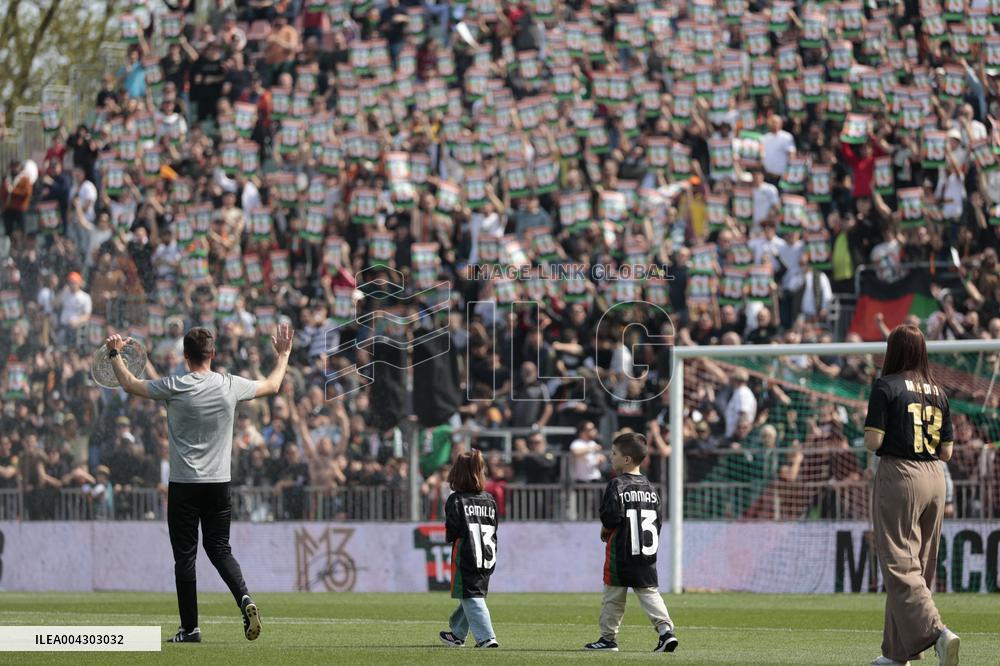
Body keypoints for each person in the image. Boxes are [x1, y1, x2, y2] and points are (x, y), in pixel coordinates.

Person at [104, 324, 294, 643]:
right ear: (212, 354)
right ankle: (245, 599)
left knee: (185, 558)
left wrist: (114, 353)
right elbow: (274, 385)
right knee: (220, 549)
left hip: (184, 484)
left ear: (185, 355)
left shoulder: (175, 385)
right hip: (219, 484)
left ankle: (190, 629)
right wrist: (284, 354)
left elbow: (130, 384)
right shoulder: (229, 384)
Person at [864, 324, 960, 666]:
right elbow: (947, 451)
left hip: (901, 475)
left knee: (898, 562)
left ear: (893, 350)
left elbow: (873, 442)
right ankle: (897, 654)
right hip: (936, 477)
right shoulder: (938, 391)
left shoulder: (885, 386)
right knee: (917, 563)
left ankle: (936, 632)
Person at [585, 432, 678, 654]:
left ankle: (608, 639)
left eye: (614, 453)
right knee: (649, 593)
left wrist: (606, 528)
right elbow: (658, 522)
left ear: (626, 459)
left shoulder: (616, 485)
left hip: (622, 552)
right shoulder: (651, 489)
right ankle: (666, 632)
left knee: (613, 597)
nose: (610, 456)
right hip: (646, 553)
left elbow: (611, 517)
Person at [438, 450, 499, 649]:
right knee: (472, 593)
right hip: (487, 555)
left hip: (467, 555)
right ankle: (457, 634)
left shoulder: (456, 500)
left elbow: (452, 531)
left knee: (471, 596)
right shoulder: (489, 499)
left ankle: (486, 637)